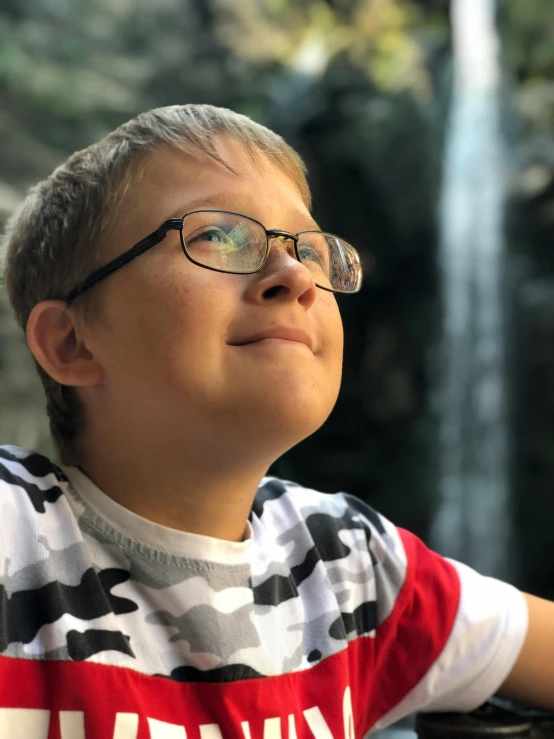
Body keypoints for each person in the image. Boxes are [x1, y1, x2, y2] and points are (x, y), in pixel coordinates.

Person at [0, 104, 552, 739]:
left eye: (313, 251)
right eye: (219, 235)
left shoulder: (348, 567)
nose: (294, 276)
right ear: (72, 343)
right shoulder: (19, 535)